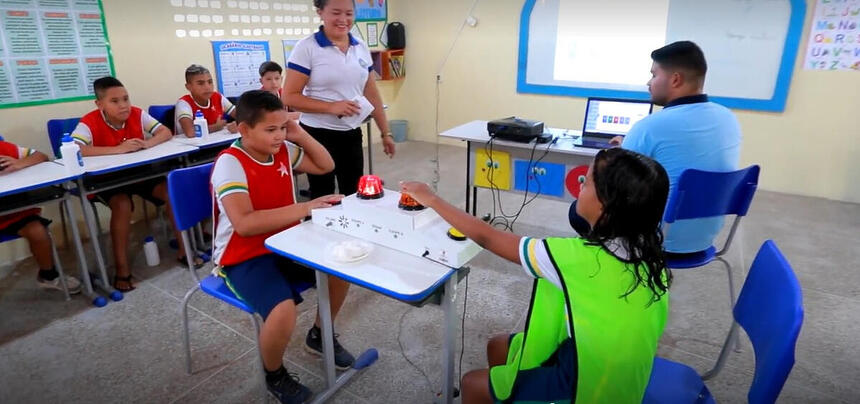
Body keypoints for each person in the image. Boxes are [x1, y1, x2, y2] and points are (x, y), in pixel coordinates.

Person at [401, 147, 671, 404]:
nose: (579, 187)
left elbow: (488, 236)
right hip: (600, 358)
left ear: (605, 205)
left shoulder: (574, 258)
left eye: (586, 183)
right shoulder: (647, 253)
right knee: (497, 345)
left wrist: (432, 199)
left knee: (472, 383)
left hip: (589, 386)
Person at [211, 90, 355, 404]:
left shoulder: (282, 151)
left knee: (340, 267)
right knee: (282, 311)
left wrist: (299, 132)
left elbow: (326, 164)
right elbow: (245, 224)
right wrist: (306, 208)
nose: (279, 136)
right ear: (244, 129)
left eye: (282, 128)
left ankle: (319, 334)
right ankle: (273, 373)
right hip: (243, 253)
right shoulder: (230, 163)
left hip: (286, 241)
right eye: (271, 129)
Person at [569, 41, 742, 254]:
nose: (648, 82)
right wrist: (630, 145)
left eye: (653, 75)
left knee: (581, 208)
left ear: (675, 79)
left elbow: (612, 185)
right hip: (706, 238)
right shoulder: (728, 118)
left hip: (656, 239)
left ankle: (603, 265)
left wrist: (629, 144)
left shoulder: (650, 127)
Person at [71, 76, 198, 292]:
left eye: (126, 99)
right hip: (109, 180)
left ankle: (185, 250)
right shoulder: (89, 121)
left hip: (139, 174)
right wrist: (117, 149)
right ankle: (122, 269)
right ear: (99, 104)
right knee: (122, 206)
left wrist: (148, 143)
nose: (123, 105)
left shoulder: (137, 114)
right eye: (115, 101)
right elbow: (74, 149)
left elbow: (164, 132)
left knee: (171, 191)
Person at [283, 0, 395, 199]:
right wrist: (331, 107)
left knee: (354, 192)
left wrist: (385, 132)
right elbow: (289, 97)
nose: (343, 19)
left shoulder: (360, 46)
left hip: (351, 132)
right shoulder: (307, 48)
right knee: (323, 195)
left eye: (349, 13)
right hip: (317, 134)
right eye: (336, 13)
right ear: (320, 13)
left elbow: (371, 93)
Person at [0, 141, 82, 294]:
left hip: (13, 211)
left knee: (38, 231)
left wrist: (19, 163)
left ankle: (48, 276)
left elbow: (41, 156)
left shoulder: (4, 148)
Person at [174, 64, 238, 137]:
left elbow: (244, 117)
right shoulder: (183, 103)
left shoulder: (218, 97)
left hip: (215, 141)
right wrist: (216, 127)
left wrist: (238, 124)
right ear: (188, 87)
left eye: (210, 82)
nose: (207, 87)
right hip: (192, 146)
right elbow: (190, 132)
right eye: (200, 83)